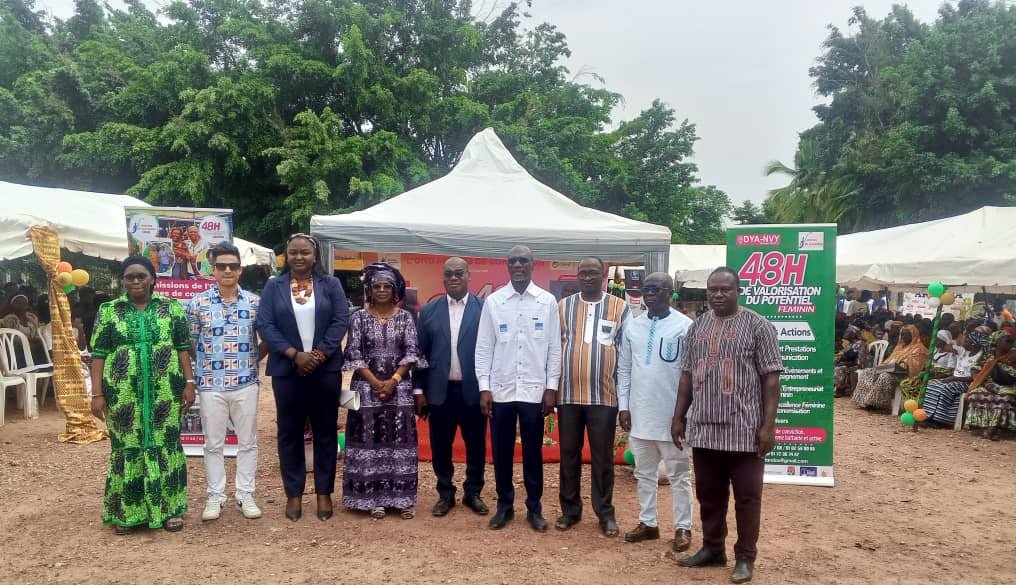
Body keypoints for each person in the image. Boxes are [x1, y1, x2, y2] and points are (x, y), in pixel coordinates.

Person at [669, 267, 782, 584]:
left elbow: (771, 378)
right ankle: (713, 548)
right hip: (704, 428)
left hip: (745, 430)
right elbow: (687, 375)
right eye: (712, 289)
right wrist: (679, 417)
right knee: (709, 495)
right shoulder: (698, 326)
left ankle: (745, 557)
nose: (718, 294)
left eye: (725, 289)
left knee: (747, 498)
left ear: (738, 291)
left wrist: (768, 427)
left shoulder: (759, 326)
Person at [89, 257, 196, 534]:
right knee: (127, 446)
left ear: (152, 278)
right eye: (129, 277)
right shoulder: (109, 310)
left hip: (165, 390)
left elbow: (183, 347)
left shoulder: (170, 308)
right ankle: (128, 512)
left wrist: (189, 382)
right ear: (123, 280)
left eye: (141, 276)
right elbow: (98, 354)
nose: (135, 281)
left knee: (165, 443)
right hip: (122, 392)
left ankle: (170, 510)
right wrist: (97, 393)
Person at [256, 233, 350, 521]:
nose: (299, 258)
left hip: (325, 371)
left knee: (324, 432)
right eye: (293, 253)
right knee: (289, 433)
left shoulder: (331, 284)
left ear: (315, 256)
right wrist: (293, 353)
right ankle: (293, 495)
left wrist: (319, 354)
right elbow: (265, 323)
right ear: (286, 256)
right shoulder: (274, 286)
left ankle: (324, 494)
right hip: (287, 371)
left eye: (305, 253)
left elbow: (340, 320)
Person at [475, 245, 562, 532]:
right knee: (501, 452)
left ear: (533, 264)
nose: (518, 265)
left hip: (534, 391)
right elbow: (484, 347)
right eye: (513, 261)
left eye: (523, 260)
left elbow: (553, 348)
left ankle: (534, 508)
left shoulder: (547, 301)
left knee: (533, 453)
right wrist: (484, 388)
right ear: (507, 265)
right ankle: (504, 506)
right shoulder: (495, 301)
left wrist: (551, 388)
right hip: (501, 390)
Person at [186, 243, 265, 522]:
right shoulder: (198, 304)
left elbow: (267, 338)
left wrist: (254, 360)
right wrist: (190, 379)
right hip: (210, 384)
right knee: (213, 444)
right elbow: (190, 344)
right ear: (213, 269)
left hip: (245, 383)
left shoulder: (255, 303)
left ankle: (245, 494)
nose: (228, 270)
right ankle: (215, 497)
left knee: (248, 442)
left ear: (240, 269)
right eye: (222, 266)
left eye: (233, 265)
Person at [616, 271, 694, 551]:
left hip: (673, 418)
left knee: (678, 475)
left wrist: (683, 415)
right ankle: (648, 523)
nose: (650, 293)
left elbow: (691, 374)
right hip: (639, 414)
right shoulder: (633, 326)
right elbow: (624, 369)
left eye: (657, 289)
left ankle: (683, 527)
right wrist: (623, 406)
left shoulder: (685, 326)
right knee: (644, 473)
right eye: (646, 288)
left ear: (670, 292)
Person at [342, 263, 426, 519]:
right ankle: (370, 499)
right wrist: (376, 383)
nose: (381, 290)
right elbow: (353, 353)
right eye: (376, 286)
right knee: (370, 442)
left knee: (398, 442)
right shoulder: (358, 318)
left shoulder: (405, 318)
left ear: (394, 290)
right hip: (366, 391)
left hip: (399, 390)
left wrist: (393, 380)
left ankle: (401, 499)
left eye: (386, 286)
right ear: (369, 289)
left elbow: (412, 352)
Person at [555, 257, 630, 536]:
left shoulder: (619, 308)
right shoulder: (564, 307)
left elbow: (625, 356)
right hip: (568, 395)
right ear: (577, 276)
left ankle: (605, 513)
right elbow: (554, 350)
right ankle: (570, 511)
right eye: (583, 273)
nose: (587, 277)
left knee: (602, 458)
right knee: (568, 456)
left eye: (593, 273)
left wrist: (625, 400)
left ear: (604, 276)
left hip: (604, 397)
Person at [413, 257, 489, 518]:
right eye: (449, 274)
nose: (453, 278)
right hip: (439, 392)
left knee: (476, 445)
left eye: (459, 273)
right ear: (443, 278)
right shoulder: (429, 311)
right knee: (440, 446)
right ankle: (445, 494)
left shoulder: (485, 309)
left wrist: (489, 390)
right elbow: (420, 354)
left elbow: (494, 351)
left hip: (474, 391)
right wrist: (419, 392)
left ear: (469, 276)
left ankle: (473, 492)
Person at [852, 325, 926, 410]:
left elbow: (915, 368)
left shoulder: (919, 349)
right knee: (868, 372)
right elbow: (889, 360)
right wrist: (884, 366)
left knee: (885, 376)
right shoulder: (900, 347)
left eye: (906, 334)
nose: (902, 337)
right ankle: (862, 400)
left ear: (913, 335)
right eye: (901, 334)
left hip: (905, 376)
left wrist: (903, 364)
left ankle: (877, 404)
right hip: (891, 370)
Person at [921, 332, 984, 426]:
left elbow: (973, 378)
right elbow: (947, 346)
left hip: (966, 383)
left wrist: (954, 378)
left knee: (946, 389)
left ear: (973, 344)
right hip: (953, 379)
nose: (964, 343)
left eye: (966, 341)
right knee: (931, 385)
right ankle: (928, 415)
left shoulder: (980, 357)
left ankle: (941, 420)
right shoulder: (963, 351)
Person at [964, 330, 1016, 440]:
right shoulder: (987, 355)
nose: (1010, 341)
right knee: (975, 395)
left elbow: (1010, 377)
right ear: (996, 341)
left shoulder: (1014, 355)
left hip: (1009, 384)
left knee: (1005, 398)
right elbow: (974, 369)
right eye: (1006, 339)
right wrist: (986, 383)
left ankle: (993, 428)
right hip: (987, 383)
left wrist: (996, 363)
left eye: (1011, 340)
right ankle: (982, 426)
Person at [1, 293, 47, 366]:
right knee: (33, 346)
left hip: (32, 346)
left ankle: (43, 368)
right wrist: (28, 340)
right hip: (16, 350)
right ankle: (33, 369)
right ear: (12, 305)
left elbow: (37, 333)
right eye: (18, 303)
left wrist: (37, 339)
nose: (21, 305)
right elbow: (11, 338)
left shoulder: (32, 318)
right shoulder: (9, 320)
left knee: (43, 344)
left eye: (24, 303)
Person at [833, 326, 867, 397]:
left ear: (853, 334)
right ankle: (839, 387)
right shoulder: (850, 344)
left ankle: (839, 389)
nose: (846, 333)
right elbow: (845, 356)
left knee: (840, 368)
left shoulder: (860, 343)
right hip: (849, 364)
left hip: (857, 365)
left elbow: (859, 359)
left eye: (848, 332)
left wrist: (846, 362)